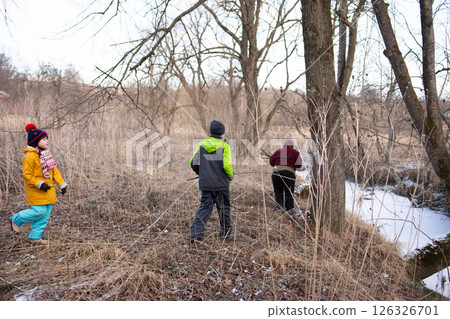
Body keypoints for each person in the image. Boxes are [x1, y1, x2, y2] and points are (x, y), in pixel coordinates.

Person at [9, 124, 68, 245]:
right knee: (39, 212)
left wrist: (62, 184)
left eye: (47, 139)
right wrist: (39, 184)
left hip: (48, 190)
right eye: (44, 139)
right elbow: (27, 175)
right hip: (36, 190)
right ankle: (15, 219)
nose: (46, 141)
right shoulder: (29, 157)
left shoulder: (47, 155)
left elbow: (54, 171)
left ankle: (35, 237)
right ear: (36, 141)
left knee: (45, 215)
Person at [189, 120, 234, 241]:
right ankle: (226, 234)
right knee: (224, 208)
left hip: (206, 184)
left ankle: (195, 234)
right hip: (221, 185)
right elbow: (227, 166)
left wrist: (201, 173)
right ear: (222, 133)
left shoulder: (202, 145)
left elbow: (193, 162)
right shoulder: (225, 146)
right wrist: (231, 176)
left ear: (211, 131)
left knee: (205, 208)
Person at [269, 139, 302, 213]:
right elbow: (299, 165)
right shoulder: (295, 153)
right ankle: (289, 209)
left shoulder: (278, 151)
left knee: (278, 190)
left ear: (284, 145)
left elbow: (271, 162)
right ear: (292, 146)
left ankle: (279, 208)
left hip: (276, 173)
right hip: (289, 173)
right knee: (289, 191)